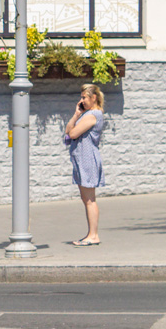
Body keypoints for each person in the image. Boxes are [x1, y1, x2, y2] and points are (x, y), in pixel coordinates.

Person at [64, 83, 105, 246]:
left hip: (87, 159)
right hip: (82, 159)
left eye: (84, 97)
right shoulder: (85, 114)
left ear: (93, 98)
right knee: (86, 198)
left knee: (89, 199)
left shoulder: (93, 114)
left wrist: (75, 125)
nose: (81, 100)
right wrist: (75, 115)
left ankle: (93, 235)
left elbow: (72, 133)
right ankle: (91, 234)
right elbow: (68, 131)